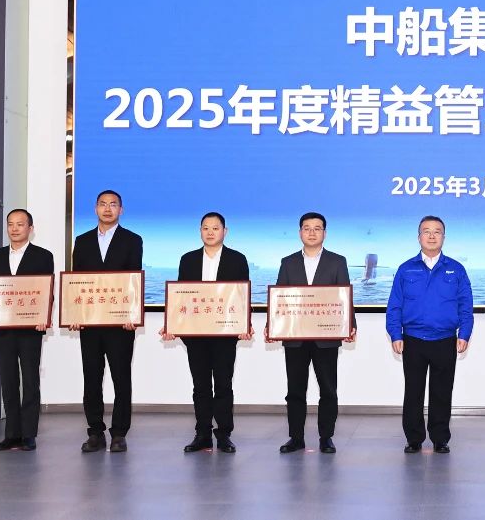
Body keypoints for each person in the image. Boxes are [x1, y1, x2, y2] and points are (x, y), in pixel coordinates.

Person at [160, 212, 250, 454]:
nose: (210, 232)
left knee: (223, 384)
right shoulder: (188, 259)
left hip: (225, 335)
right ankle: (202, 434)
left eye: (215, 228)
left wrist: (245, 324)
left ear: (225, 231)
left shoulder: (237, 259)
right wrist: (172, 324)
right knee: (200, 385)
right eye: (205, 228)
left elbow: (242, 296)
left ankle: (224, 434)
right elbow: (181, 297)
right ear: (200, 231)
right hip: (196, 335)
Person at [385, 216, 473, 454]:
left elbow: (466, 305)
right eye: (426, 231)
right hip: (413, 339)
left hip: (445, 339)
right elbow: (394, 305)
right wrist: (395, 334)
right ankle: (413, 439)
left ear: (444, 237)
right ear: (419, 237)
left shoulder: (456, 269)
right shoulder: (406, 269)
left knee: (442, 391)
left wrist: (464, 333)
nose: (432, 236)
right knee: (413, 391)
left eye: (437, 231)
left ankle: (440, 438)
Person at [0, 209, 54, 452]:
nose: (14, 229)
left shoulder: (43, 256)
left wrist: (43, 317)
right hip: (3, 328)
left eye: (20, 224)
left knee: (30, 381)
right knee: (8, 381)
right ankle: (11, 434)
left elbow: (47, 290)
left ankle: (29, 434)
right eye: (10, 224)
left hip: (30, 329)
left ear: (30, 228)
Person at [271, 212, 354, 455]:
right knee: (295, 391)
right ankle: (296, 438)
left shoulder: (337, 261)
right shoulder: (288, 262)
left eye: (317, 228)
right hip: (295, 337)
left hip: (325, 338)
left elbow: (345, 296)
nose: (312, 232)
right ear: (300, 233)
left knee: (328, 390)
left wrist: (350, 325)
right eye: (307, 228)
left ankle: (326, 437)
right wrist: (273, 325)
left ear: (324, 233)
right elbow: (280, 299)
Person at [70, 189, 143, 453]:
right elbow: (76, 282)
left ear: (121, 210)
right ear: (95, 208)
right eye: (103, 204)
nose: (108, 209)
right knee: (91, 378)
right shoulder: (82, 241)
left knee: (121, 378)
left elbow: (133, 280)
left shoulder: (132, 240)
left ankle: (119, 433)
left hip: (120, 324)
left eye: (113, 204)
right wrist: (75, 314)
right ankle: (95, 432)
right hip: (90, 323)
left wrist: (132, 315)